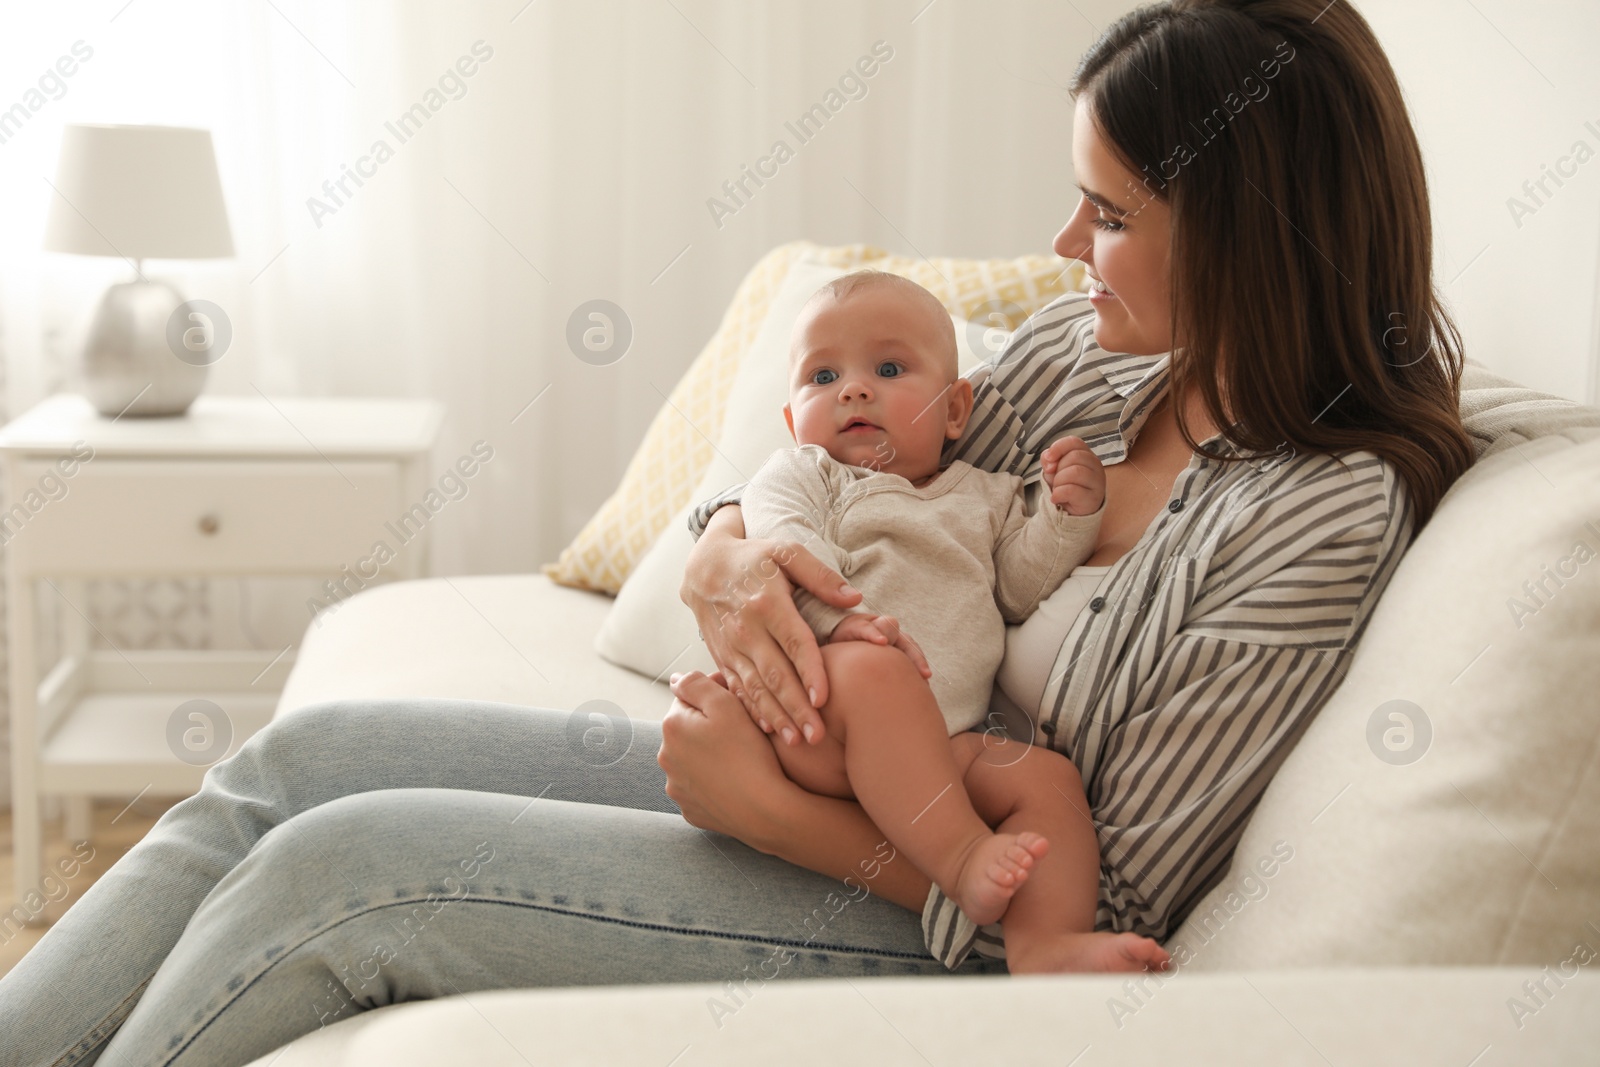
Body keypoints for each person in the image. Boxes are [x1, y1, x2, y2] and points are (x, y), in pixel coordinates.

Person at [0, 2, 1475, 1063]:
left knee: (343, 871)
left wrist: (773, 814)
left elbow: (1120, 890)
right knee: (293, 763)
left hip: (929, 893)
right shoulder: (1087, 366)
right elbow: (849, 464)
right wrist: (721, 544)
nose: (1060, 248)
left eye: (1104, 213)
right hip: (802, 745)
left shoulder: (1321, 510)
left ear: (1241, 227)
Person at [736, 268, 1168, 971]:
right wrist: (838, 621)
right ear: (792, 419)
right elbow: (782, 541)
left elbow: (1019, 589)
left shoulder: (990, 497)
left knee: (1049, 781)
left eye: (887, 367)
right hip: (823, 719)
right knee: (878, 667)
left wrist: (1069, 515)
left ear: (956, 410)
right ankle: (962, 853)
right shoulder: (809, 476)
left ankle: (1047, 944)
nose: (853, 389)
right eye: (821, 377)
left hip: (946, 746)